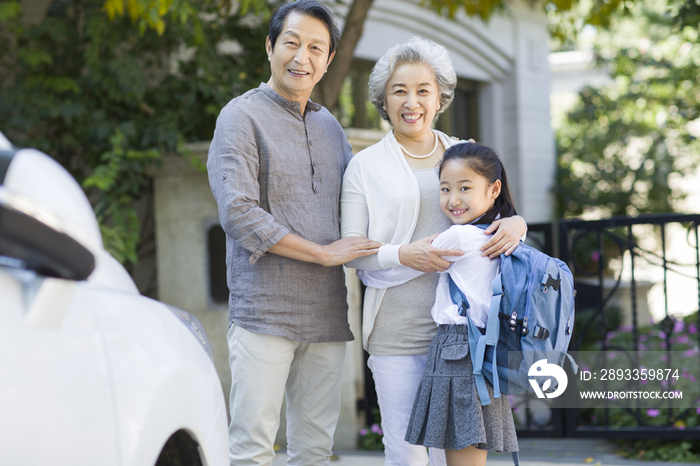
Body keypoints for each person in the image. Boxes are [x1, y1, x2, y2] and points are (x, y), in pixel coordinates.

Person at [206, 1, 381, 465]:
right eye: (292, 43)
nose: (302, 57)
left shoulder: (330, 126)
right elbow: (239, 213)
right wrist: (323, 254)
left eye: (315, 48)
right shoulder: (240, 117)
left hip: (325, 314)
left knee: (314, 451)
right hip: (264, 311)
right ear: (270, 47)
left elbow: (366, 203)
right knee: (252, 447)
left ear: (326, 61)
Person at [340, 37, 526, 466]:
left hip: (465, 336)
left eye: (423, 90)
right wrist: (403, 254)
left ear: (439, 96)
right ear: (383, 100)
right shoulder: (364, 166)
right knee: (405, 452)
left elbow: (498, 217)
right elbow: (352, 251)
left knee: (456, 451)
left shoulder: (463, 151)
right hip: (396, 329)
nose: (412, 101)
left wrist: (518, 222)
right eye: (399, 90)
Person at [357, 142, 520, 466]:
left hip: (456, 351)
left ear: (493, 189)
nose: (453, 199)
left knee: (450, 454)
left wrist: (370, 269)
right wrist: (519, 221)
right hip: (485, 349)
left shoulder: (457, 237)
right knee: (467, 454)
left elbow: (375, 271)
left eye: (464, 187)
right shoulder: (502, 235)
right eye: (445, 189)